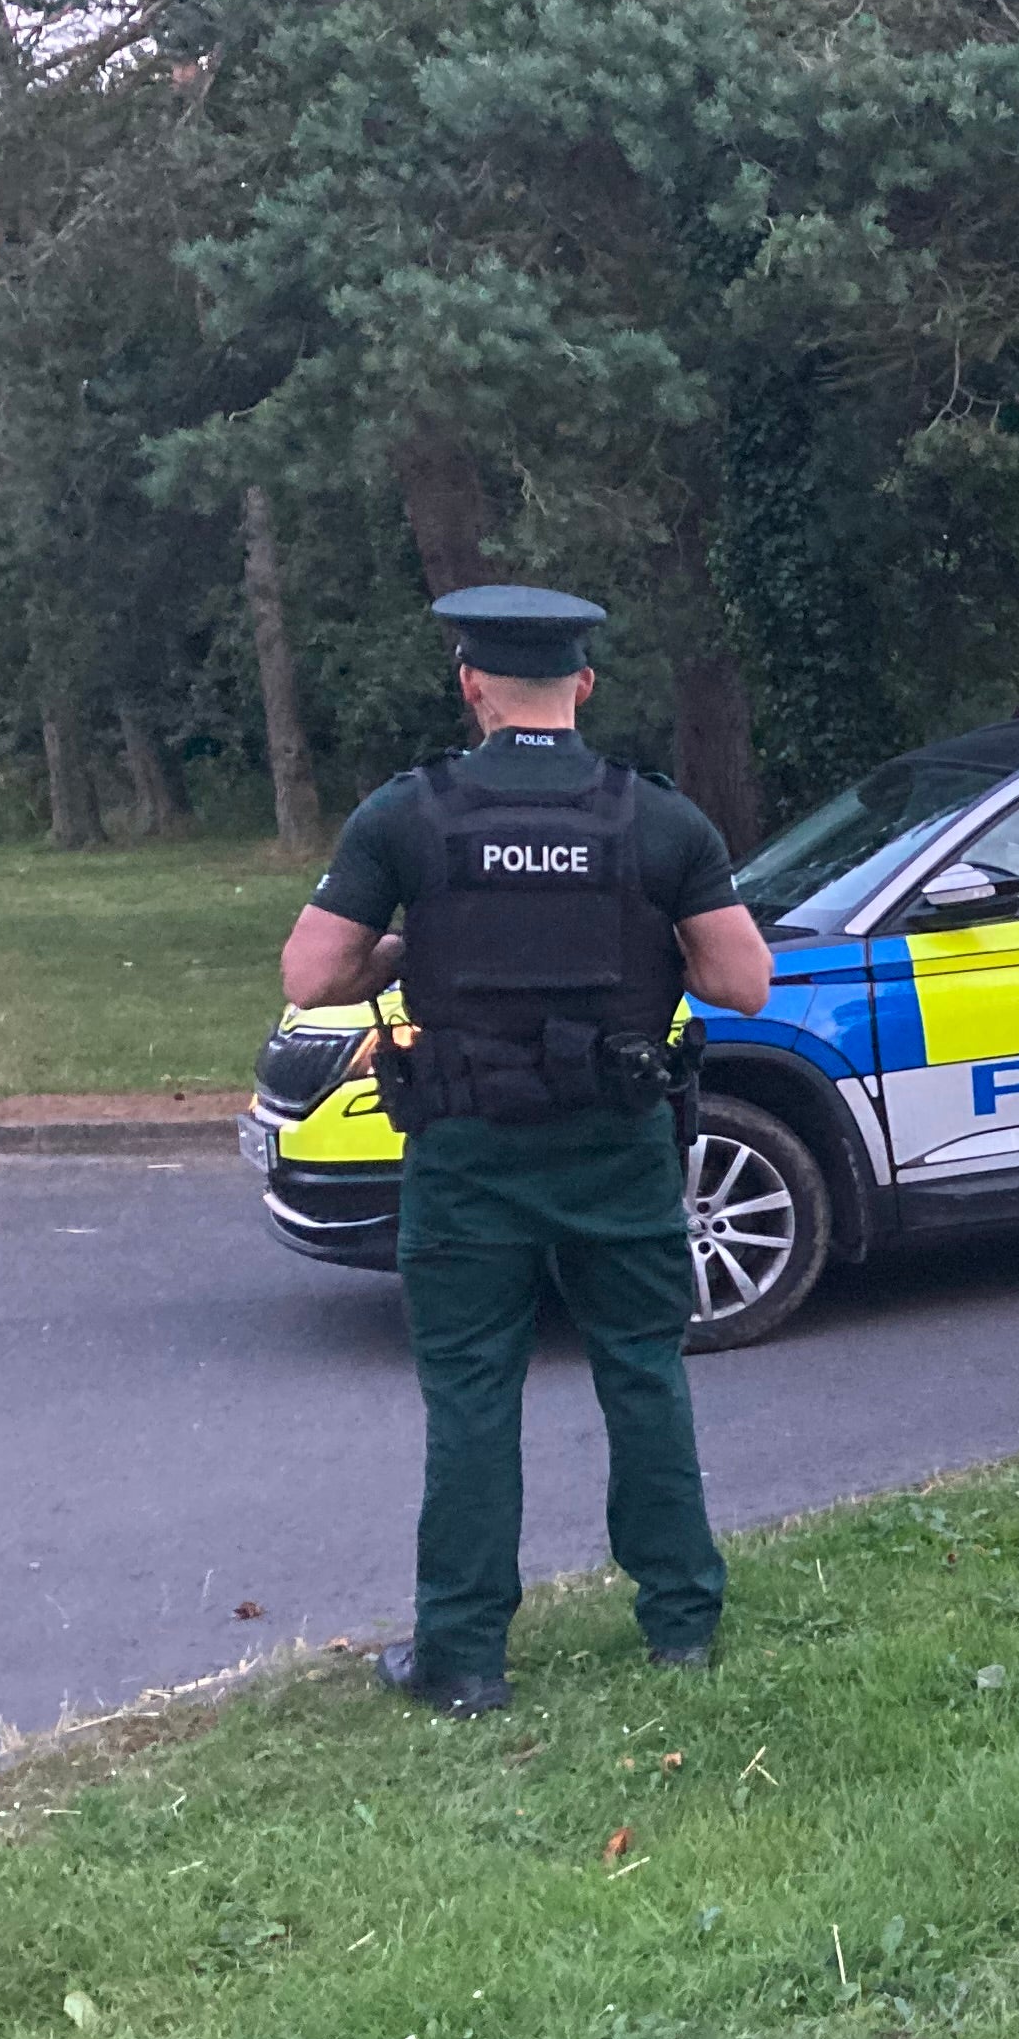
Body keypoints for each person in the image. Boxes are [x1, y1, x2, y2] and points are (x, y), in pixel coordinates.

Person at [277, 585, 775, 1715]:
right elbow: (742, 982)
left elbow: (313, 975)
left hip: (467, 1159)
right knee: (643, 1376)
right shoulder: (658, 820)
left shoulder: (410, 816)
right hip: (618, 1149)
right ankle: (682, 1628)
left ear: (471, 684)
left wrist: (407, 949)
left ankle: (461, 1660)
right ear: (583, 687)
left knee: (470, 1400)